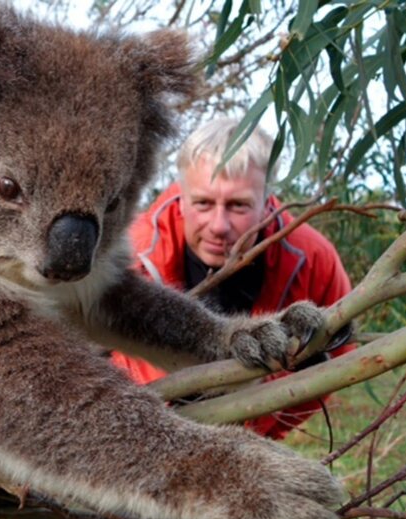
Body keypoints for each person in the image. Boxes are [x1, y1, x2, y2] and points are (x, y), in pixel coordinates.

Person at [111, 117, 353, 440]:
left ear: (267, 203)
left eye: (238, 206)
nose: (218, 226)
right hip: (145, 435)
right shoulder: (129, 254)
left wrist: (263, 425)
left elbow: (337, 362)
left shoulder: (312, 258)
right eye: (203, 203)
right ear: (181, 198)